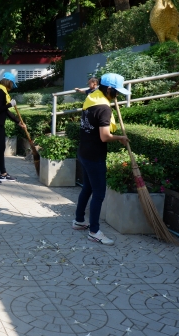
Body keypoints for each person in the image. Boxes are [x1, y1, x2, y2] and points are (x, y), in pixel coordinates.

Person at [73, 73, 129, 245]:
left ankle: (79, 220)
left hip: (84, 152)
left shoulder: (91, 99)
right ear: (109, 89)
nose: (117, 96)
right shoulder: (104, 108)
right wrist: (120, 138)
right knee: (98, 193)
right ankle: (94, 231)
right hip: (95, 156)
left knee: (87, 188)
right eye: (116, 92)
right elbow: (104, 136)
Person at [0, 73, 26, 185]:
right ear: (9, 82)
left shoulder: (1, 91)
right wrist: (10, 105)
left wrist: (18, 122)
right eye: (12, 84)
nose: (12, 86)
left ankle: (3, 173)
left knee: (1, 148)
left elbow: (5, 111)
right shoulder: (0, 92)